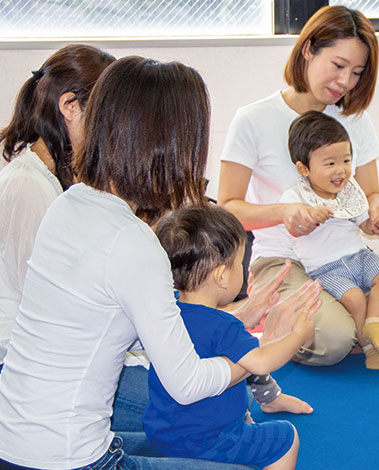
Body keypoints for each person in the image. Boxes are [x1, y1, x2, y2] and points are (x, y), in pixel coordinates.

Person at [0, 56, 321, 469]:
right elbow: (187, 384)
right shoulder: (133, 241)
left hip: (12, 439)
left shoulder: (69, 204)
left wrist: (238, 317)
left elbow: (133, 331)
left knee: (174, 431)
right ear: (172, 146)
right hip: (68, 459)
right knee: (251, 456)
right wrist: (262, 349)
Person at [218, 4, 379, 367]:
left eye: (356, 72)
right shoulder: (253, 119)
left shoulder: (354, 119)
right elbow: (228, 208)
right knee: (332, 342)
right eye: (338, 65)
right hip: (283, 258)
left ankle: (349, 323)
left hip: (345, 256)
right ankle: (301, 321)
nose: (346, 82)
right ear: (308, 49)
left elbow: (370, 196)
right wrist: (283, 212)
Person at [146, 205, 315, 469]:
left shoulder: (167, 312)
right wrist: (298, 335)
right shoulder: (223, 324)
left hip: (163, 433)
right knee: (286, 437)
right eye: (239, 263)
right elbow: (260, 362)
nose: (242, 268)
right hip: (209, 440)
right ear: (222, 276)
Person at [0, 44, 115, 372]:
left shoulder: (53, 180)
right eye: (105, 116)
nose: (110, 131)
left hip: (53, 352)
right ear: (69, 105)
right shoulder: (27, 186)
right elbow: (47, 301)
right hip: (23, 363)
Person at [281, 111, 379, 370]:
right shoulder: (294, 196)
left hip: (359, 256)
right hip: (326, 267)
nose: (341, 170)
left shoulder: (348, 193)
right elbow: (295, 229)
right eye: (330, 163)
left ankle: (374, 323)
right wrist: (311, 217)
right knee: (355, 298)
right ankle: (369, 348)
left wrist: (375, 222)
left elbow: (362, 221)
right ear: (304, 168)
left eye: (346, 160)